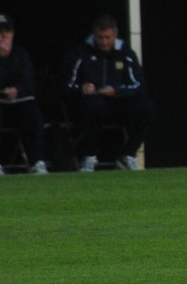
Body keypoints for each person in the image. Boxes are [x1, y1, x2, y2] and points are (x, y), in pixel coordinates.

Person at [61, 14, 155, 172]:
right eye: (100, 37)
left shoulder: (125, 54)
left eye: (108, 38)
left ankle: (128, 155)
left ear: (115, 35)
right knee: (94, 106)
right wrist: (82, 90)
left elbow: (139, 85)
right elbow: (65, 87)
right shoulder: (79, 54)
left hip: (119, 103)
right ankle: (89, 157)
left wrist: (117, 91)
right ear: (94, 34)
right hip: (90, 106)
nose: (104, 42)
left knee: (146, 107)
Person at [0, 13, 48, 175]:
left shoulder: (21, 54)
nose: (3, 36)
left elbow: (30, 83)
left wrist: (17, 90)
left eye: (6, 31)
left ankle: (37, 162)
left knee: (34, 115)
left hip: (19, 102)